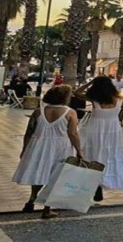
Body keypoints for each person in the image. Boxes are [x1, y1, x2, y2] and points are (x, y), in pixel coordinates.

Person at [12, 85, 83, 219]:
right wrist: (79, 151)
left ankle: (32, 199)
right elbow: (73, 133)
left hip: (40, 145)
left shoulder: (38, 111)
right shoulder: (70, 112)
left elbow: (29, 131)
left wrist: (24, 148)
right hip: (61, 147)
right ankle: (47, 208)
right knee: (55, 176)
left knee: (40, 173)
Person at [78, 76, 123, 202]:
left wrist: (90, 82)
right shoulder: (120, 98)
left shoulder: (95, 99)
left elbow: (77, 92)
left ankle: (96, 184)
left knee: (93, 155)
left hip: (95, 128)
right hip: (113, 129)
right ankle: (103, 181)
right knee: (109, 155)